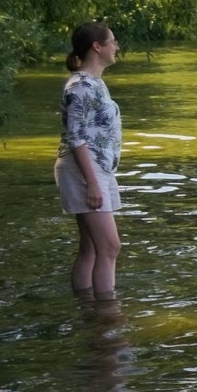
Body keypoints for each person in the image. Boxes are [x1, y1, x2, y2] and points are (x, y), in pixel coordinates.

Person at [56, 23, 123, 298]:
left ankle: (86, 310)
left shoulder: (94, 83)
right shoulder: (80, 87)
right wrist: (93, 183)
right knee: (109, 246)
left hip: (97, 169)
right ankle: (107, 315)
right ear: (97, 46)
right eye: (113, 41)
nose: (116, 46)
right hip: (86, 171)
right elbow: (76, 138)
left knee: (92, 247)